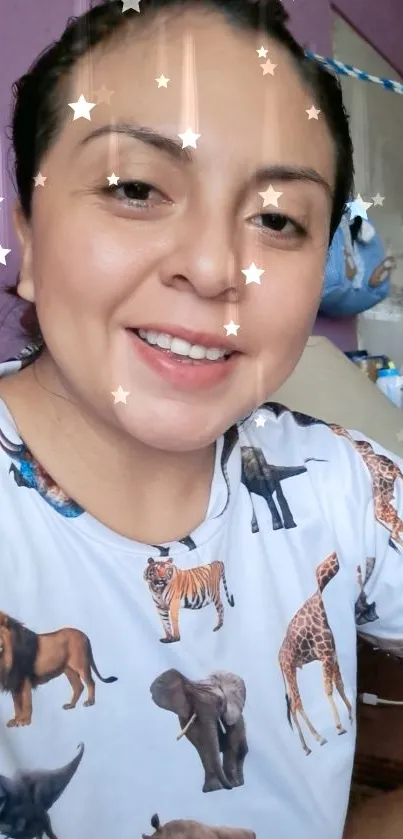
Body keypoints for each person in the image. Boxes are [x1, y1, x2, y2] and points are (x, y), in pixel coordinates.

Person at [0, 0, 401, 837]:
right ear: (28, 240)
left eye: (277, 220)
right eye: (136, 188)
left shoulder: (349, 484)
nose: (216, 267)